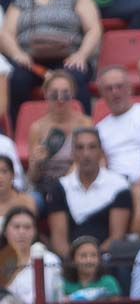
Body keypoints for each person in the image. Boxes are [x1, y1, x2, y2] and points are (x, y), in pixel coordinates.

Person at [0, 0, 101, 125]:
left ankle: (84, 129)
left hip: (69, 58)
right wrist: (17, 54)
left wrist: (81, 55)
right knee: (16, 80)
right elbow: (7, 32)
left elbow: (93, 29)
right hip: (30, 60)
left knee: (75, 78)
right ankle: (20, 130)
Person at [45, 128, 132, 257]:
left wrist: (91, 260)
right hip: (71, 264)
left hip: (106, 261)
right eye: (80, 148)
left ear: (101, 152)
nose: (86, 154)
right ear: (72, 153)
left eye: (92, 147)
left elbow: (117, 236)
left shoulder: (119, 186)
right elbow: (59, 240)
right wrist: (76, 263)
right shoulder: (59, 188)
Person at [96, 66, 140, 184]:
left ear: (130, 88)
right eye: (109, 89)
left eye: (119, 86)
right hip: (115, 186)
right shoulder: (100, 128)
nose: (115, 92)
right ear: (102, 94)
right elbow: (102, 165)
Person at [26, 68, 89, 189]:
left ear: (73, 94)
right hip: (46, 184)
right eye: (54, 94)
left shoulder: (85, 123)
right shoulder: (37, 128)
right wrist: (36, 164)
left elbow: (95, 160)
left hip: (78, 183)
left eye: (65, 94)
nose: (60, 99)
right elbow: (32, 178)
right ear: (45, 94)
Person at [0, 206, 63, 304]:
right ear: (5, 231)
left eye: (27, 227)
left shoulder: (50, 260)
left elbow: (54, 297)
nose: (22, 232)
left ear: (35, 231)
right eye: (16, 227)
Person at [62, 234, 123, 301]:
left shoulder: (108, 282)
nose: (89, 260)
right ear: (73, 260)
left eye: (93, 255)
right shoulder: (64, 284)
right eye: (83, 256)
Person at [0, 154, 36, 219]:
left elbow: (30, 227)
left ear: (13, 175)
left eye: (4, 171)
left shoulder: (26, 202)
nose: (0, 177)